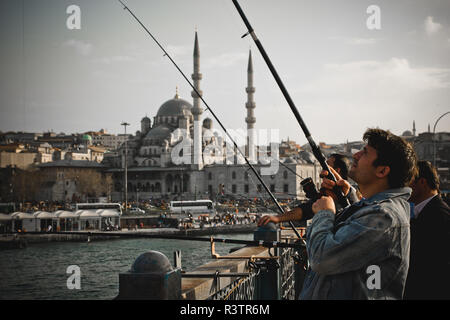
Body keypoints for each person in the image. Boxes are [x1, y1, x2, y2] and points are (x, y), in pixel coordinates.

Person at [262, 128, 417, 299]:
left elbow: (322, 258)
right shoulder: (377, 209)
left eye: (365, 153)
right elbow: (355, 238)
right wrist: (347, 195)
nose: (356, 155)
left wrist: (324, 213)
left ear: (382, 171)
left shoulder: (385, 217)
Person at [404, 160, 450, 300]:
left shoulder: (439, 216)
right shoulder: (424, 211)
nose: (404, 188)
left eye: (408, 182)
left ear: (422, 182)